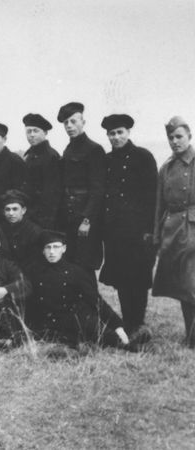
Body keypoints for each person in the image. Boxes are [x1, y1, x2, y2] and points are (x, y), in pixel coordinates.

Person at [99, 114, 157, 339]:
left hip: (139, 232)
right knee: (122, 278)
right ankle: (129, 320)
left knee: (138, 277)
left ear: (128, 132)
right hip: (114, 233)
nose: (116, 137)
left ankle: (138, 322)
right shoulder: (106, 160)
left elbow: (152, 196)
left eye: (119, 132)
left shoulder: (143, 157)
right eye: (111, 134)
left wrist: (150, 230)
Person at [26, 230, 130, 348]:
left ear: (64, 249)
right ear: (43, 251)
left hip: (73, 320)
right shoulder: (33, 272)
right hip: (47, 323)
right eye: (48, 247)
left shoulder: (75, 272)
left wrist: (117, 326)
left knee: (107, 337)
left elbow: (96, 300)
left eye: (56, 247)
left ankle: (128, 343)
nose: (52, 252)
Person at [153, 116, 195, 348]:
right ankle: (191, 335)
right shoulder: (167, 167)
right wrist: (157, 234)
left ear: (189, 135)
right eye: (171, 137)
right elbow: (159, 205)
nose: (174, 141)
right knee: (182, 286)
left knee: (191, 284)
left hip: (193, 229)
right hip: (173, 230)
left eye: (179, 136)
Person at [56, 102, 105, 282]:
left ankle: (92, 309)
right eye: (66, 123)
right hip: (68, 217)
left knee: (85, 266)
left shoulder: (94, 149)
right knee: (70, 263)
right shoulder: (68, 150)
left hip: (84, 219)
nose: (69, 126)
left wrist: (87, 220)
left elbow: (97, 190)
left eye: (73, 121)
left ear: (83, 122)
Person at [22, 113, 61, 229]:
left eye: (36, 131)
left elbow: (52, 193)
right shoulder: (29, 155)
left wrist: (44, 220)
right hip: (29, 215)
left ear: (45, 133)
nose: (32, 135)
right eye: (29, 131)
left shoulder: (51, 156)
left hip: (43, 218)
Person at [0, 189, 43, 273]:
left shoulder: (34, 232)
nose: (11, 213)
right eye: (7, 209)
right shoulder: (1, 229)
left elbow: (35, 262)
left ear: (23, 210)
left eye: (15, 209)